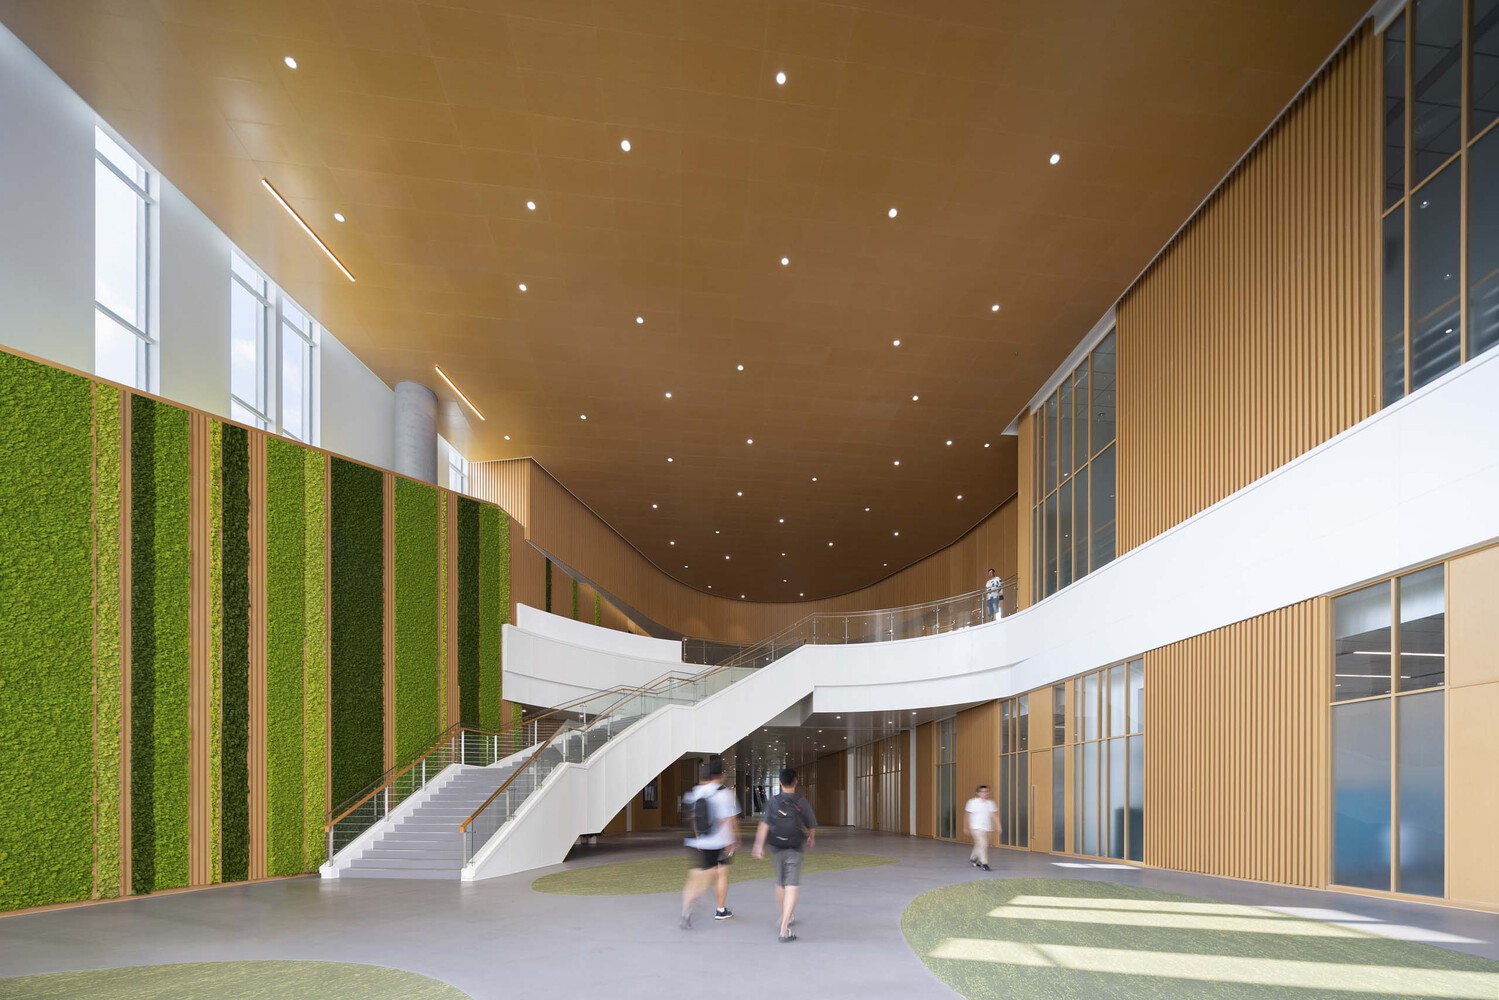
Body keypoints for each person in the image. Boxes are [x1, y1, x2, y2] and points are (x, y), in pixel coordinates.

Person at [752, 767, 818, 943]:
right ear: (795, 781)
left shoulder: (773, 802)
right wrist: (811, 837)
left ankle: (784, 916)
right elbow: (811, 824)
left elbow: (764, 825)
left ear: (780, 782)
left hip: (776, 846)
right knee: (792, 885)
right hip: (794, 847)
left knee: (780, 883)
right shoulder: (801, 802)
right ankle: (784, 930)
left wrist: (758, 845)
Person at [680, 757, 739, 928]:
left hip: (696, 842)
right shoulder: (725, 794)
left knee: (694, 877)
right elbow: (729, 819)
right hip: (718, 843)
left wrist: (698, 837)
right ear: (721, 775)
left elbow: (690, 817)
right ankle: (719, 909)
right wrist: (734, 839)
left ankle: (685, 911)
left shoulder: (695, 792)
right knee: (719, 875)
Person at [964, 784, 999, 871]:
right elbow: (966, 815)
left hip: (987, 828)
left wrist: (998, 825)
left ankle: (973, 858)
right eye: (982, 792)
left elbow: (994, 815)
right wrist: (965, 827)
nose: (984, 793)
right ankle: (984, 863)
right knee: (983, 843)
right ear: (978, 793)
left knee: (980, 844)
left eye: (986, 791)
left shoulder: (991, 803)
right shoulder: (972, 802)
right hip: (975, 828)